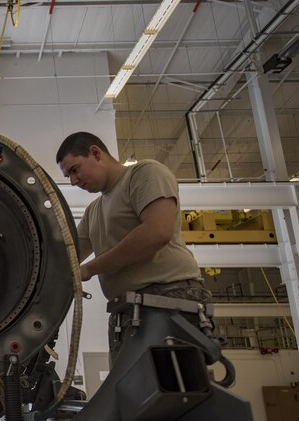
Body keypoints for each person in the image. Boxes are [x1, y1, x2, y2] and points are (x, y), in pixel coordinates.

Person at [56, 132, 211, 363]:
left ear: (96, 153)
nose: (73, 181)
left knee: (170, 391)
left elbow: (157, 232)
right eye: (69, 176)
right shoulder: (94, 211)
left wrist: (89, 269)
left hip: (168, 300)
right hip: (127, 310)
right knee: (129, 393)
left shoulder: (145, 173)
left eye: (75, 170)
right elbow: (66, 256)